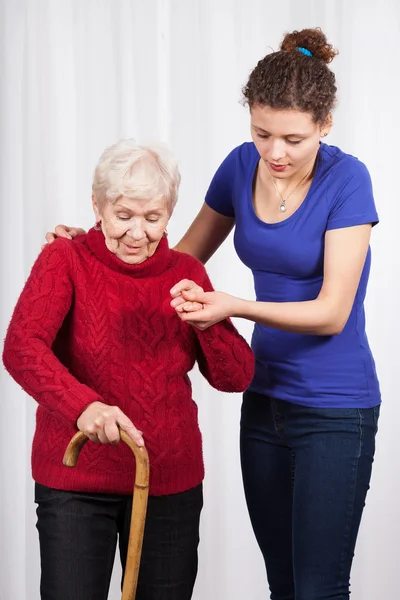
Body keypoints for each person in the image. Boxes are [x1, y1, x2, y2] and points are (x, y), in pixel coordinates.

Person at [43, 27, 380, 600]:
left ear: (325, 125)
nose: (275, 152)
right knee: (283, 583)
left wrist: (234, 306)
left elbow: (331, 312)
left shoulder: (348, 181)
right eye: (262, 132)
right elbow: (173, 262)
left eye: (293, 139)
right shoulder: (240, 166)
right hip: (264, 398)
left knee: (320, 589)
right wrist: (94, 244)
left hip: (335, 408)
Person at [2, 139, 254, 600]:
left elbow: (235, 377)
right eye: (123, 216)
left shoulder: (188, 272)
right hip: (76, 482)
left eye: (152, 218)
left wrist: (209, 322)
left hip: (169, 481)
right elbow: (22, 348)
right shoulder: (65, 258)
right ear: (97, 206)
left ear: (169, 214)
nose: (137, 233)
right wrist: (84, 407)